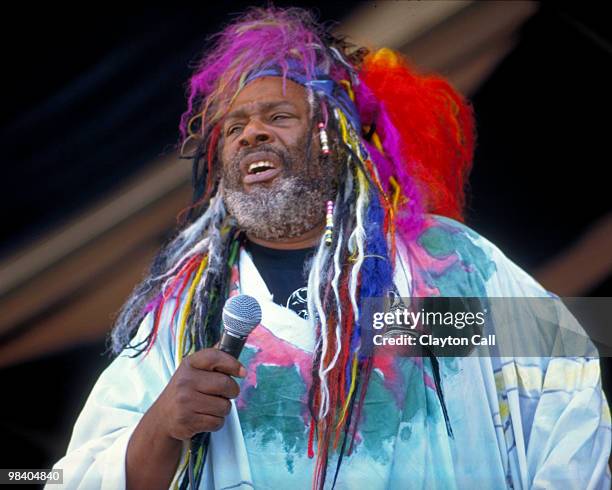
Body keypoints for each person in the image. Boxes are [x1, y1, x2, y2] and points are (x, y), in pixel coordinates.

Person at [48, 7, 610, 490]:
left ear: (331, 140)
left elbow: (559, 389)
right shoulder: (186, 313)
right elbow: (79, 477)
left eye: (278, 116)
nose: (252, 134)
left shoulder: (441, 270)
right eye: (235, 126)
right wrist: (162, 424)